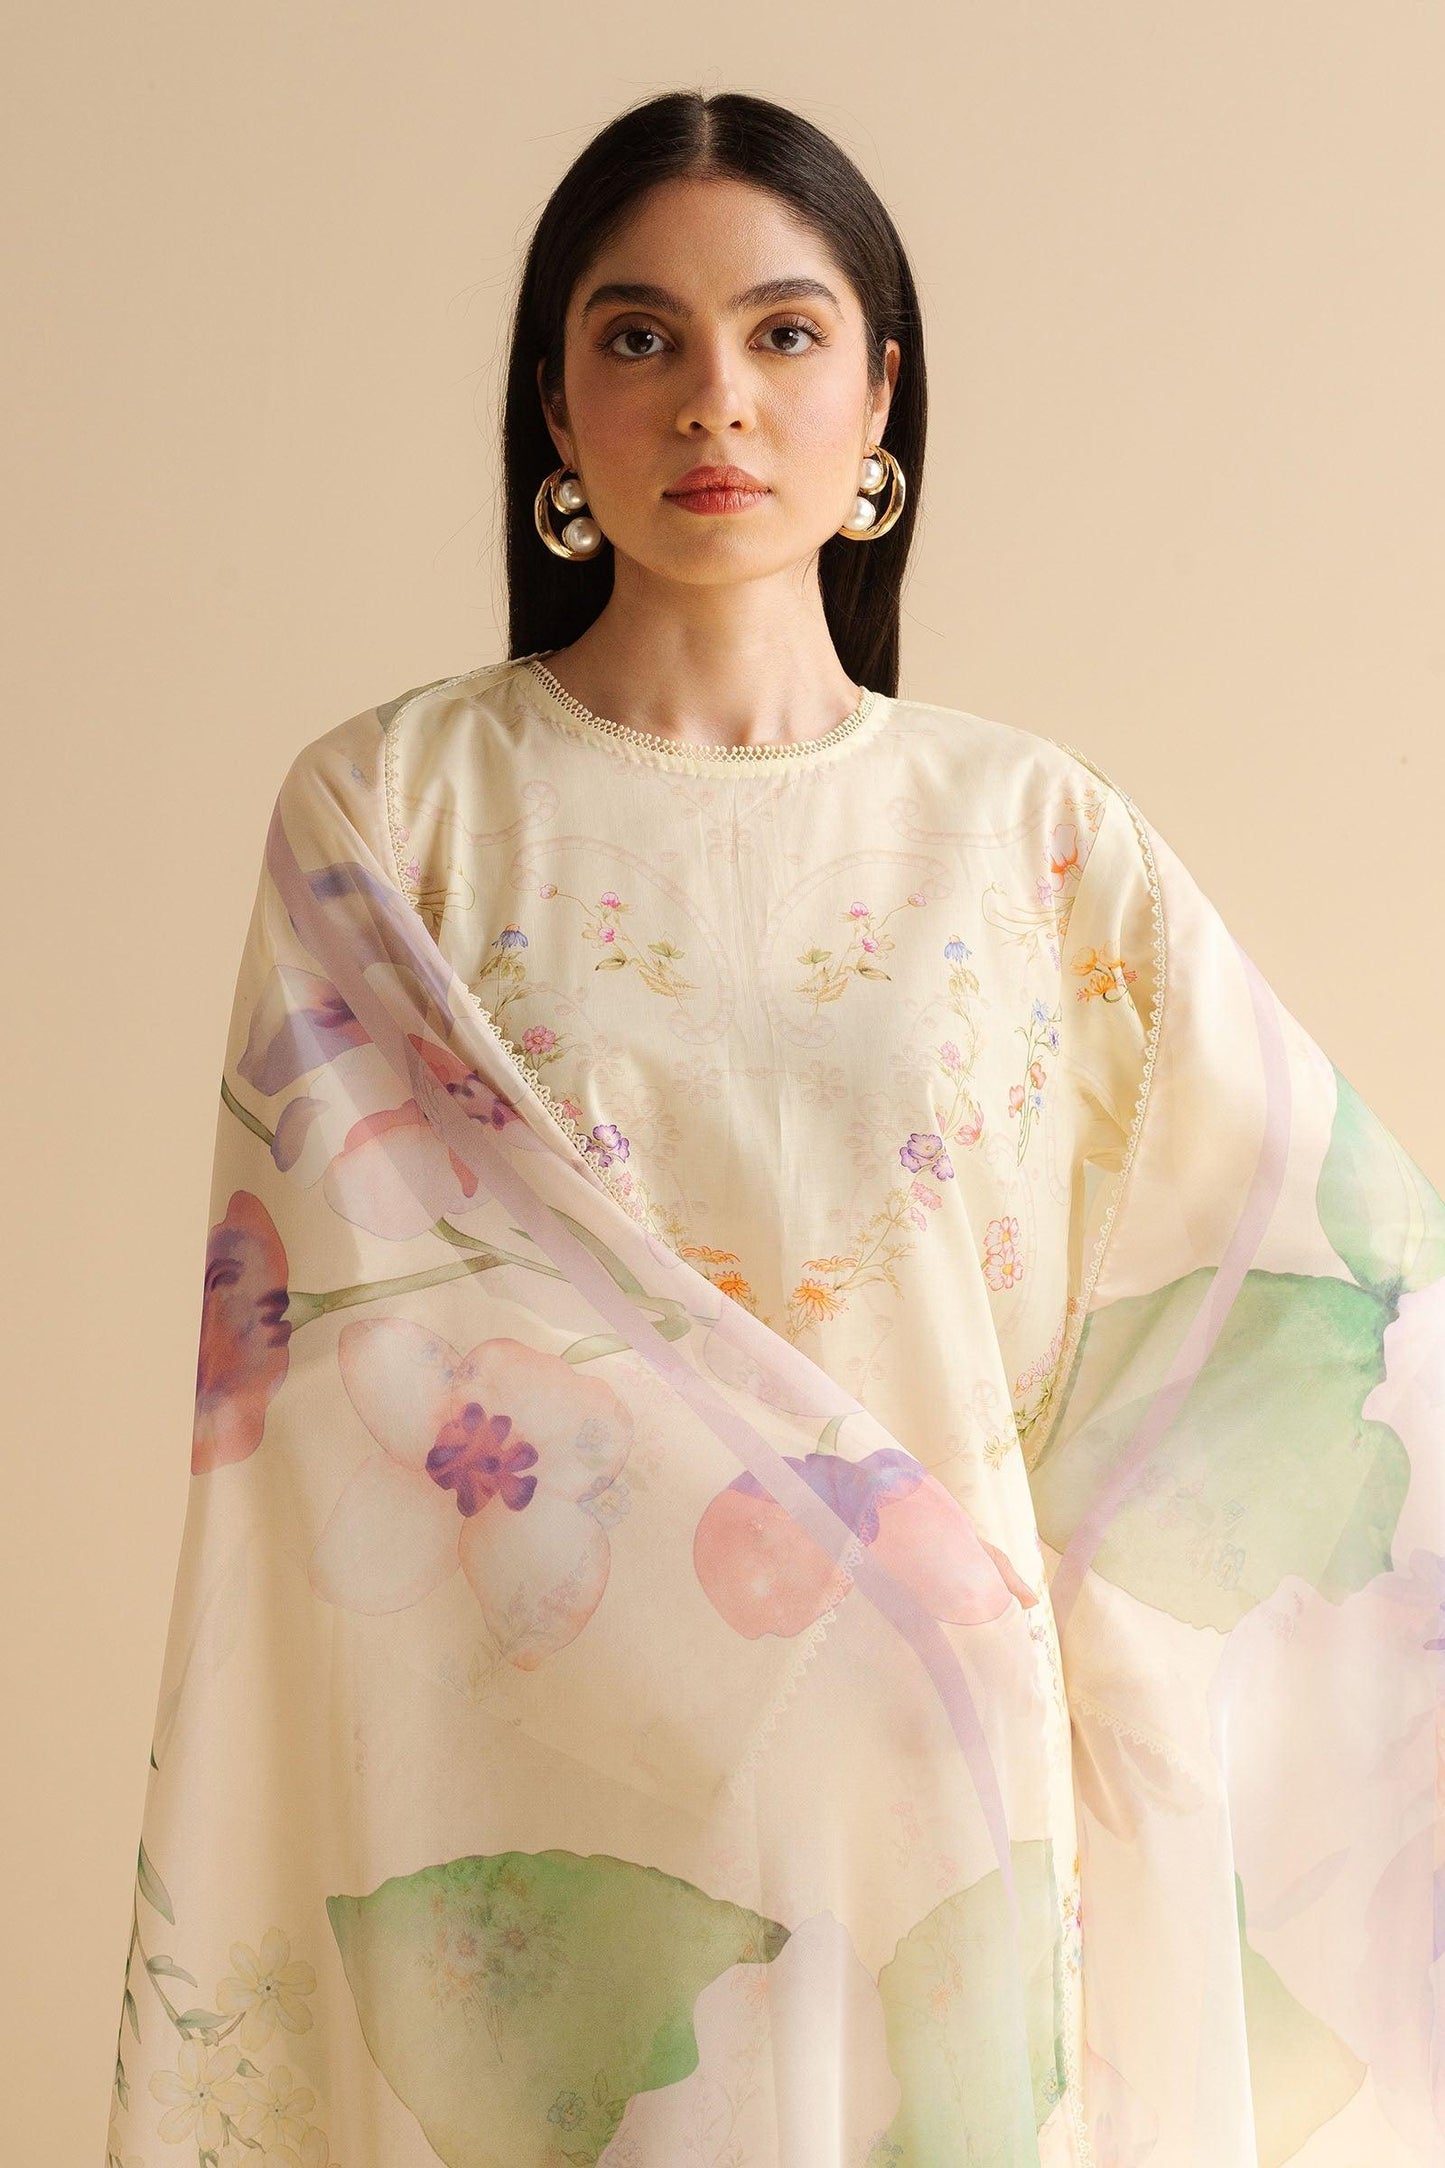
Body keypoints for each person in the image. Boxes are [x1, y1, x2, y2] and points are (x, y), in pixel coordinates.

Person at [105, 90, 1443, 2168]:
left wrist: (974, 1630)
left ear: (880, 394)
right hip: (564, 1810)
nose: (713, 399)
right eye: (639, 336)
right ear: (553, 398)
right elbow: (358, 1357)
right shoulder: (395, 819)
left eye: (784, 334)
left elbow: (1286, 1298)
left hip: (948, 1816)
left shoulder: (1033, 840)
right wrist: (830, 1584)